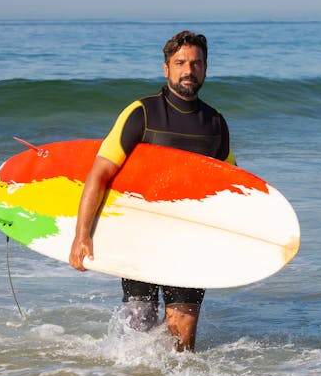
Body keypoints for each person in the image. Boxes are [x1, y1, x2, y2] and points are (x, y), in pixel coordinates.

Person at [69, 31, 235, 352]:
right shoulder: (142, 113)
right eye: (181, 63)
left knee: (183, 336)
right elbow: (99, 174)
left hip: (189, 238)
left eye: (197, 63)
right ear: (166, 69)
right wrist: (82, 235)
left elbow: (228, 185)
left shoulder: (215, 123)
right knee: (138, 325)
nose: (189, 70)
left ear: (206, 68)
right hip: (140, 234)